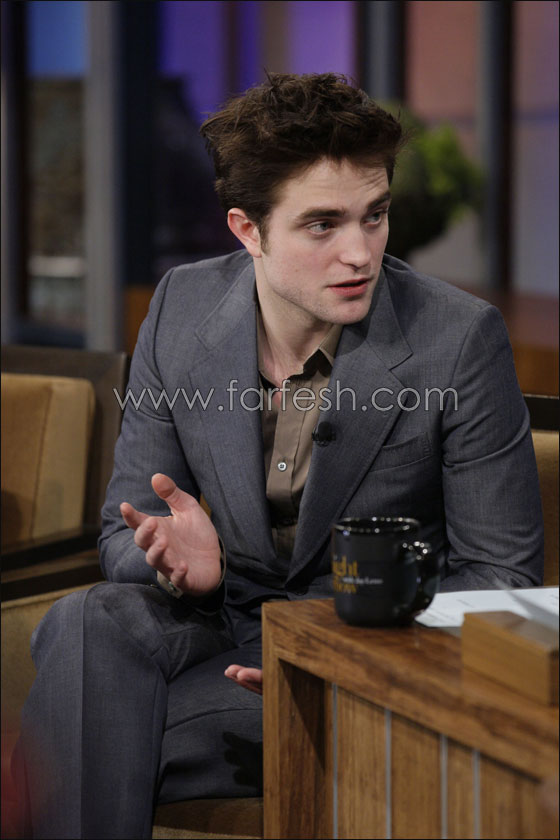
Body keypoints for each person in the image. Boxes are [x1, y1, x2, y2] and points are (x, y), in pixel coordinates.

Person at [14, 72, 543, 839]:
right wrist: (181, 564)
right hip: (211, 622)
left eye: (374, 215)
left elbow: (499, 577)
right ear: (248, 230)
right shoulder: (181, 306)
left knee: (76, 740)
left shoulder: (458, 340)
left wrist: (335, 648)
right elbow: (119, 536)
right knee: (88, 619)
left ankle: (74, 759)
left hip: (354, 650)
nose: (359, 252)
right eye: (322, 225)